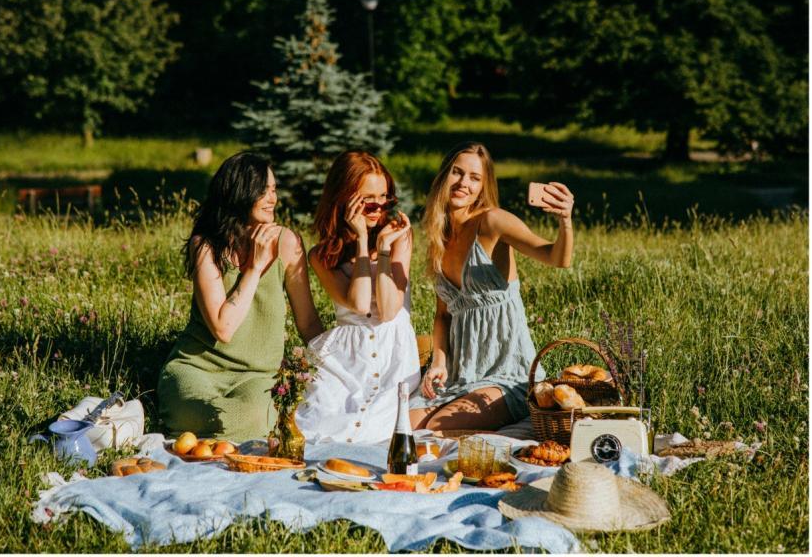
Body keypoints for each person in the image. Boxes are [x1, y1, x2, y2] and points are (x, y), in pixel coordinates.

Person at [157, 152, 323, 442]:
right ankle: (198, 428)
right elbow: (224, 328)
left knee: (253, 417)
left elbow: (307, 322)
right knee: (205, 410)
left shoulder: (287, 243)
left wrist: (340, 368)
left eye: (274, 190)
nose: (273, 199)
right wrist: (255, 267)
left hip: (256, 378)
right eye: (263, 190)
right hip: (197, 369)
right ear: (238, 191)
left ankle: (201, 434)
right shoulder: (206, 245)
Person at [408, 142, 574, 431]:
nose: (463, 183)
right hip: (460, 377)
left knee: (437, 428)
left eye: (474, 178)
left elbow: (556, 257)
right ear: (444, 177)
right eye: (457, 173)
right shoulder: (440, 237)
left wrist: (565, 221)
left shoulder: (492, 221)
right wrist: (438, 363)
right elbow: (443, 315)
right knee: (401, 425)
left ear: (484, 186)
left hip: (508, 377)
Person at [296, 150, 420, 444]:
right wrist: (364, 240)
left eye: (384, 198)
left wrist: (384, 250)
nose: (378, 207)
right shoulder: (322, 255)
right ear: (344, 199)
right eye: (368, 200)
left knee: (379, 426)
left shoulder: (398, 235)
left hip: (393, 353)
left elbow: (389, 310)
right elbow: (360, 303)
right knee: (318, 421)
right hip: (347, 357)